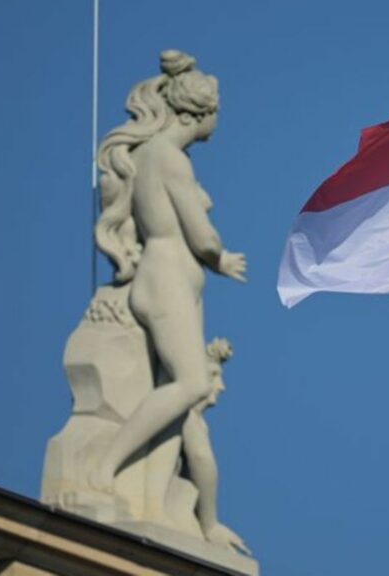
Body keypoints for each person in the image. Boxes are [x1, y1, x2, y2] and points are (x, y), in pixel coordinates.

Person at [90, 50, 246, 492]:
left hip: (172, 281)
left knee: (179, 402)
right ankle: (105, 466)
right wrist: (221, 258)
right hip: (167, 280)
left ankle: (151, 500)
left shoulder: (148, 154)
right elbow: (202, 237)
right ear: (202, 111)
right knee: (192, 384)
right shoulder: (169, 158)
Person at [182, 338, 250, 555]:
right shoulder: (184, 415)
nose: (221, 386)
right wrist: (210, 525)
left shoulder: (195, 421)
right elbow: (201, 458)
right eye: (213, 375)